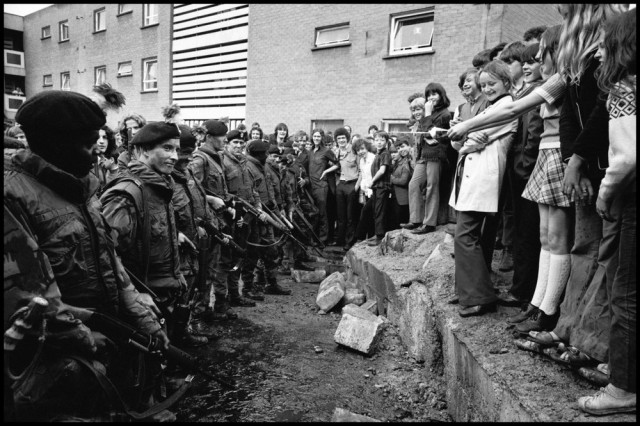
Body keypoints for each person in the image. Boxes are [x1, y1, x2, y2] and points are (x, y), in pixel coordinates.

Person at [448, 4, 629, 367]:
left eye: (567, 16)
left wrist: (576, 159)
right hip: (583, 166)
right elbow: (519, 107)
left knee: (600, 258)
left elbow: (599, 115)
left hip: (600, 169)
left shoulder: (602, 60)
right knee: (581, 250)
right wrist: (467, 126)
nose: (565, 26)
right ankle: (565, 326)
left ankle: (583, 337)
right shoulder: (573, 71)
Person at [5, 90, 171, 421]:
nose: (95, 152)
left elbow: (111, 264)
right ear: (54, 143)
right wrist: (85, 338)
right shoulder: (13, 196)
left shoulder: (80, 190)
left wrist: (141, 318)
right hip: (55, 363)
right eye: (86, 143)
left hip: (99, 345)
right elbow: (28, 297)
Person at [578, 9, 636, 415]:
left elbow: (629, 154)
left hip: (633, 199)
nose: (598, 49)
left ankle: (622, 389)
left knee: (626, 295)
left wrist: (605, 193)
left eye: (604, 41)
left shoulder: (625, 86)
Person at [101, 121, 187, 348]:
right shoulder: (128, 193)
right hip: (143, 301)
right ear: (141, 151)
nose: (175, 156)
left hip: (163, 295)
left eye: (176, 149)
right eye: (167, 149)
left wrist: (176, 275)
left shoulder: (160, 185)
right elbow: (107, 254)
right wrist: (134, 299)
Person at [449, 60, 518, 317]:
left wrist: (466, 137)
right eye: (484, 84)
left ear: (506, 83)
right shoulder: (490, 106)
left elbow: (474, 136)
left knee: (465, 236)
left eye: (492, 83)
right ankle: (469, 291)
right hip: (472, 177)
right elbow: (466, 141)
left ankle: (479, 296)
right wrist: (468, 139)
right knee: (470, 236)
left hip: (483, 178)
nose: (487, 88)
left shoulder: (506, 105)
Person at [497, 41, 545, 309]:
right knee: (522, 232)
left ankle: (522, 292)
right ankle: (522, 288)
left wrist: (523, 165)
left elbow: (534, 132)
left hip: (526, 170)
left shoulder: (538, 92)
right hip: (521, 169)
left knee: (527, 233)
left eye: (532, 61)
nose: (527, 66)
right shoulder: (529, 91)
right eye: (524, 62)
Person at [169, 124, 218, 346]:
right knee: (178, 296)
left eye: (190, 153)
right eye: (184, 154)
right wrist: (177, 233)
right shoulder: (166, 179)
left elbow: (195, 199)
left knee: (192, 290)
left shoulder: (186, 172)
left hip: (195, 243)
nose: (188, 159)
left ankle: (187, 329)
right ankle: (176, 339)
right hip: (176, 251)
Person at [188, 119, 239, 321]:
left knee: (215, 265)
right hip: (206, 222)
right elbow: (192, 190)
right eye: (221, 137)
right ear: (209, 137)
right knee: (206, 268)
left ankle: (209, 307)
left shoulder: (215, 157)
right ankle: (199, 310)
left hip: (218, 220)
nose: (225, 140)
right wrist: (212, 200)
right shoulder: (200, 160)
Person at [240, 139, 292, 296]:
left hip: (268, 212)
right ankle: (250, 287)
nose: (269, 156)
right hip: (256, 215)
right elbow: (250, 193)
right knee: (253, 253)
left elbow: (269, 190)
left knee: (270, 250)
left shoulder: (262, 167)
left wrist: (277, 211)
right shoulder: (249, 168)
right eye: (266, 153)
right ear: (260, 154)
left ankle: (268, 283)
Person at [221, 129, 262, 304]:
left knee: (242, 255)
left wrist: (257, 205)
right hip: (231, 218)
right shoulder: (223, 163)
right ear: (227, 144)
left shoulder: (244, 163)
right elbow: (221, 193)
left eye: (240, 143)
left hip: (247, 217)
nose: (238, 146)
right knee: (230, 258)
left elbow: (252, 189)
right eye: (235, 143)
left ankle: (237, 293)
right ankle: (230, 296)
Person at [409, 83, 452, 235]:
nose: (431, 97)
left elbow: (430, 134)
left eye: (435, 94)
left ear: (442, 95)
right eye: (429, 94)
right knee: (414, 184)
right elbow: (423, 134)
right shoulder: (431, 113)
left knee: (432, 187)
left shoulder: (445, 114)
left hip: (436, 155)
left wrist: (427, 113)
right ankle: (416, 219)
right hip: (424, 155)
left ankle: (430, 223)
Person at [308, 128, 338, 244]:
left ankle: (323, 239)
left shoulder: (326, 151)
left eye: (318, 136)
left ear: (322, 138)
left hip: (321, 186)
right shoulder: (310, 151)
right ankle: (313, 238)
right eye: (315, 136)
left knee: (322, 213)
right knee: (313, 213)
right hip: (311, 186)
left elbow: (337, 164)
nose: (316, 138)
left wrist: (326, 172)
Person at [334, 127, 359, 251]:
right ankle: (340, 239)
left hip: (352, 184)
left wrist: (357, 186)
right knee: (340, 215)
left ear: (347, 138)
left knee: (350, 216)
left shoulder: (354, 151)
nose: (341, 140)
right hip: (341, 184)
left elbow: (361, 169)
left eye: (343, 138)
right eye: (339, 138)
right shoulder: (337, 151)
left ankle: (350, 241)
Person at [367, 131, 393, 246]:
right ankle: (377, 234)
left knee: (380, 211)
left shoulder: (385, 154)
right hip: (376, 187)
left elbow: (382, 171)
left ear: (386, 142)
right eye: (377, 140)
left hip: (382, 187)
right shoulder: (378, 154)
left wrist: (372, 181)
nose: (379, 142)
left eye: (382, 140)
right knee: (375, 211)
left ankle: (380, 236)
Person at [354, 137, 377, 242]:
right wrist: (363, 190)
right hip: (367, 191)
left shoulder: (373, 158)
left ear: (367, 148)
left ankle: (360, 237)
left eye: (362, 149)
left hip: (375, 190)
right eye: (358, 150)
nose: (360, 152)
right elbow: (363, 176)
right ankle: (370, 237)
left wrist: (371, 187)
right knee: (370, 215)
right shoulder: (361, 161)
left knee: (365, 212)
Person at [390, 136, 413, 228]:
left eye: (397, 151)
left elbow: (404, 181)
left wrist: (392, 178)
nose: (399, 151)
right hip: (395, 196)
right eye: (398, 149)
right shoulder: (396, 164)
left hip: (403, 198)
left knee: (401, 223)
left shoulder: (406, 163)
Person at [92, 124, 119, 194]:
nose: (101, 141)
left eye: (104, 137)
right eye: (98, 137)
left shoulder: (103, 161)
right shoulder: (88, 164)